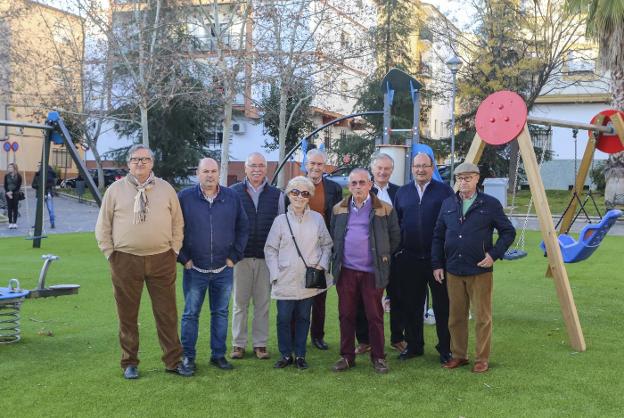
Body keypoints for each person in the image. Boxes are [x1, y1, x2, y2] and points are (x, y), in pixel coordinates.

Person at [95, 144, 192, 379]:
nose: (140, 163)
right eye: (135, 159)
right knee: (127, 315)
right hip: (125, 260)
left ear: (152, 163)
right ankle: (129, 362)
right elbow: (103, 225)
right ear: (128, 163)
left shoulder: (166, 189)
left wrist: (174, 250)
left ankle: (173, 360)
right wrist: (111, 253)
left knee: (167, 313)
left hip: (162, 259)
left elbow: (178, 223)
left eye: (145, 159)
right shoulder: (115, 190)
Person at [432, 162, 515, 373]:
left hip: (479, 270)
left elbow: (508, 232)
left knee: (482, 317)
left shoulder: (490, 204)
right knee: (456, 317)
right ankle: (459, 355)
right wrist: (437, 264)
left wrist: (494, 255)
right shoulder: (448, 203)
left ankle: (481, 358)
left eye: (468, 178)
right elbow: (438, 235)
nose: (463, 182)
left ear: (477, 179)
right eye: (460, 178)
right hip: (453, 270)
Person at [177, 158, 249, 371]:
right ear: (197, 173)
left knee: (220, 313)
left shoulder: (232, 197)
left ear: (219, 173)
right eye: (205, 171)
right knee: (191, 314)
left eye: (214, 171)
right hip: (194, 269)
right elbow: (173, 229)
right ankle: (188, 356)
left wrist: (233, 257)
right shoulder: (185, 198)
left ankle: (218, 355)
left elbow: (243, 228)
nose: (210, 175)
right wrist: (183, 258)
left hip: (223, 270)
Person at [330, 168, 400, 374]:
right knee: (346, 315)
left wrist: (381, 257)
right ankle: (346, 356)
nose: (358, 187)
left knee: (375, 316)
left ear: (370, 185)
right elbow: (335, 236)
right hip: (346, 271)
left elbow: (395, 237)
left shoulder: (385, 209)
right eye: (354, 183)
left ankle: (378, 357)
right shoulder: (338, 209)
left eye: (362, 182)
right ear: (348, 186)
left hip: (372, 272)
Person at [264, 176, 333, 370]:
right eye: (295, 192)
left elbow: (327, 245)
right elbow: (270, 249)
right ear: (289, 194)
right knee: (284, 318)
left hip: (308, 278)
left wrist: (321, 265)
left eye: (304, 193)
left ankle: (301, 355)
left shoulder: (317, 219)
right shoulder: (280, 221)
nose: (299, 197)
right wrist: (275, 273)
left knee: (304, 318)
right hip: (285, 278)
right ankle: (286, 354)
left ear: (309, 196)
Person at [393, 153, 455, 363]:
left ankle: (445, 348)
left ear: (432, 167)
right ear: (412, 168)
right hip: (409, 259)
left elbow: (450, 224)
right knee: (412, 305)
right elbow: (397, 224)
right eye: (417, 166)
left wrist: (443, 255)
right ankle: (414, 345)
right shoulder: (402, 193)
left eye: (425, 166)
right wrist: (399, 250)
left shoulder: (444, 191)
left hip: (437, 260)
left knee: (442, 306)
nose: (420, 170)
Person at [230, 152, 285, 360]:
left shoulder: (277, 195)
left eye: (261, 165)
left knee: (262, 304)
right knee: (239, 303)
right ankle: (238, 344)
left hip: (266, 258)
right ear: (245, 168)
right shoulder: (233, 193)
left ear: (266, 168)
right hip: (241, 257)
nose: (257, 169)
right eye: (252, 165)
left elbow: (281, 227)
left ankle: (260, 344)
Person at [354, 152, 405, 355]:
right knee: (363, 299)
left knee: (398, 296)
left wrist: (392, 250)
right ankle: (365, 340)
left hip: (394, 255)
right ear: (372, 170)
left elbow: (400, 224)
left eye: (387, 169)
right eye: (379, 168)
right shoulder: (364, 189)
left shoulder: (400, 192)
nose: (383, 172)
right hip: (368, 257)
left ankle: (397, 337)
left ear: (392, 171)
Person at [303, 148, 342, 350]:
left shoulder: (333, 189)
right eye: (312, 164)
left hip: (322, 250)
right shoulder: (295, 186)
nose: (316, 168)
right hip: (299, 250)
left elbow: (336, 220)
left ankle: (317, 336)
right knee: (298, 294)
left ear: (324, 167)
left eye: (320, 164)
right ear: (306, 164)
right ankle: (296, 335)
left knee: (320, 295)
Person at [32, 164, 57, 228]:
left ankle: (52, 223)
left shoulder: (49, 176)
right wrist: (39, 186)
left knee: (50, 210)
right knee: (40, 210)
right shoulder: (37, 175)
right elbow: (33, 185)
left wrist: (46, 193)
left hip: (47, 195)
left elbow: (51, 185)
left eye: (39, 166)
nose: (38, 167)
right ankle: (37, 224)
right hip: (41, 195)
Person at [4, 163, 23, 229]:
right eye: (8, 167)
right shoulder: (6, 176)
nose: (9, 168)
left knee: (15, 208)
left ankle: (14, 223)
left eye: (10, 167)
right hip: (8, 194)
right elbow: (5, 185)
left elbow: (18, 186)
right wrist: (8, 193)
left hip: (15, 194)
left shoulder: (19, 176)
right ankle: (10, 223)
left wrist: (12, 192)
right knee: (9, 208)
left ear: (14, 168)